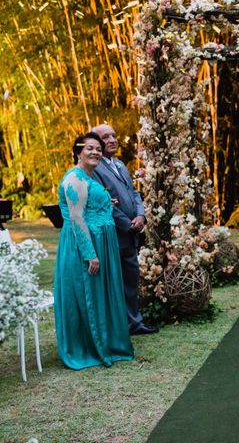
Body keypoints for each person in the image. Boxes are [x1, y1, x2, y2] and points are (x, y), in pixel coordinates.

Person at [54, 132, 134, 370]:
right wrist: (90, 254)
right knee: (88, 293)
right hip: (86, 246)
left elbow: (87, 205)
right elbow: (77, 218)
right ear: (78, 151)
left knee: (101, 293)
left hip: (102, 240)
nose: (96, 152)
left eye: (98, 149)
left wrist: (105, 204)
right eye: (90, 148)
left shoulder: (89, 177)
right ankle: (90, 345)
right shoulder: (74, 179)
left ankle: (107, 339)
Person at [92, 124, 158, 335]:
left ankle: (134, 322)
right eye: (105, 137)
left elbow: (134, 193)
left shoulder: (119, 164)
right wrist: (127, 224)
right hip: (114, 234)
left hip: (132, 233)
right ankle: (119, 324)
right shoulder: (94, 168)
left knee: (131, 278)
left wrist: (141, 216)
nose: (112, 139)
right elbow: (102, 202)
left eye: (113, 135)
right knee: (114, 281)